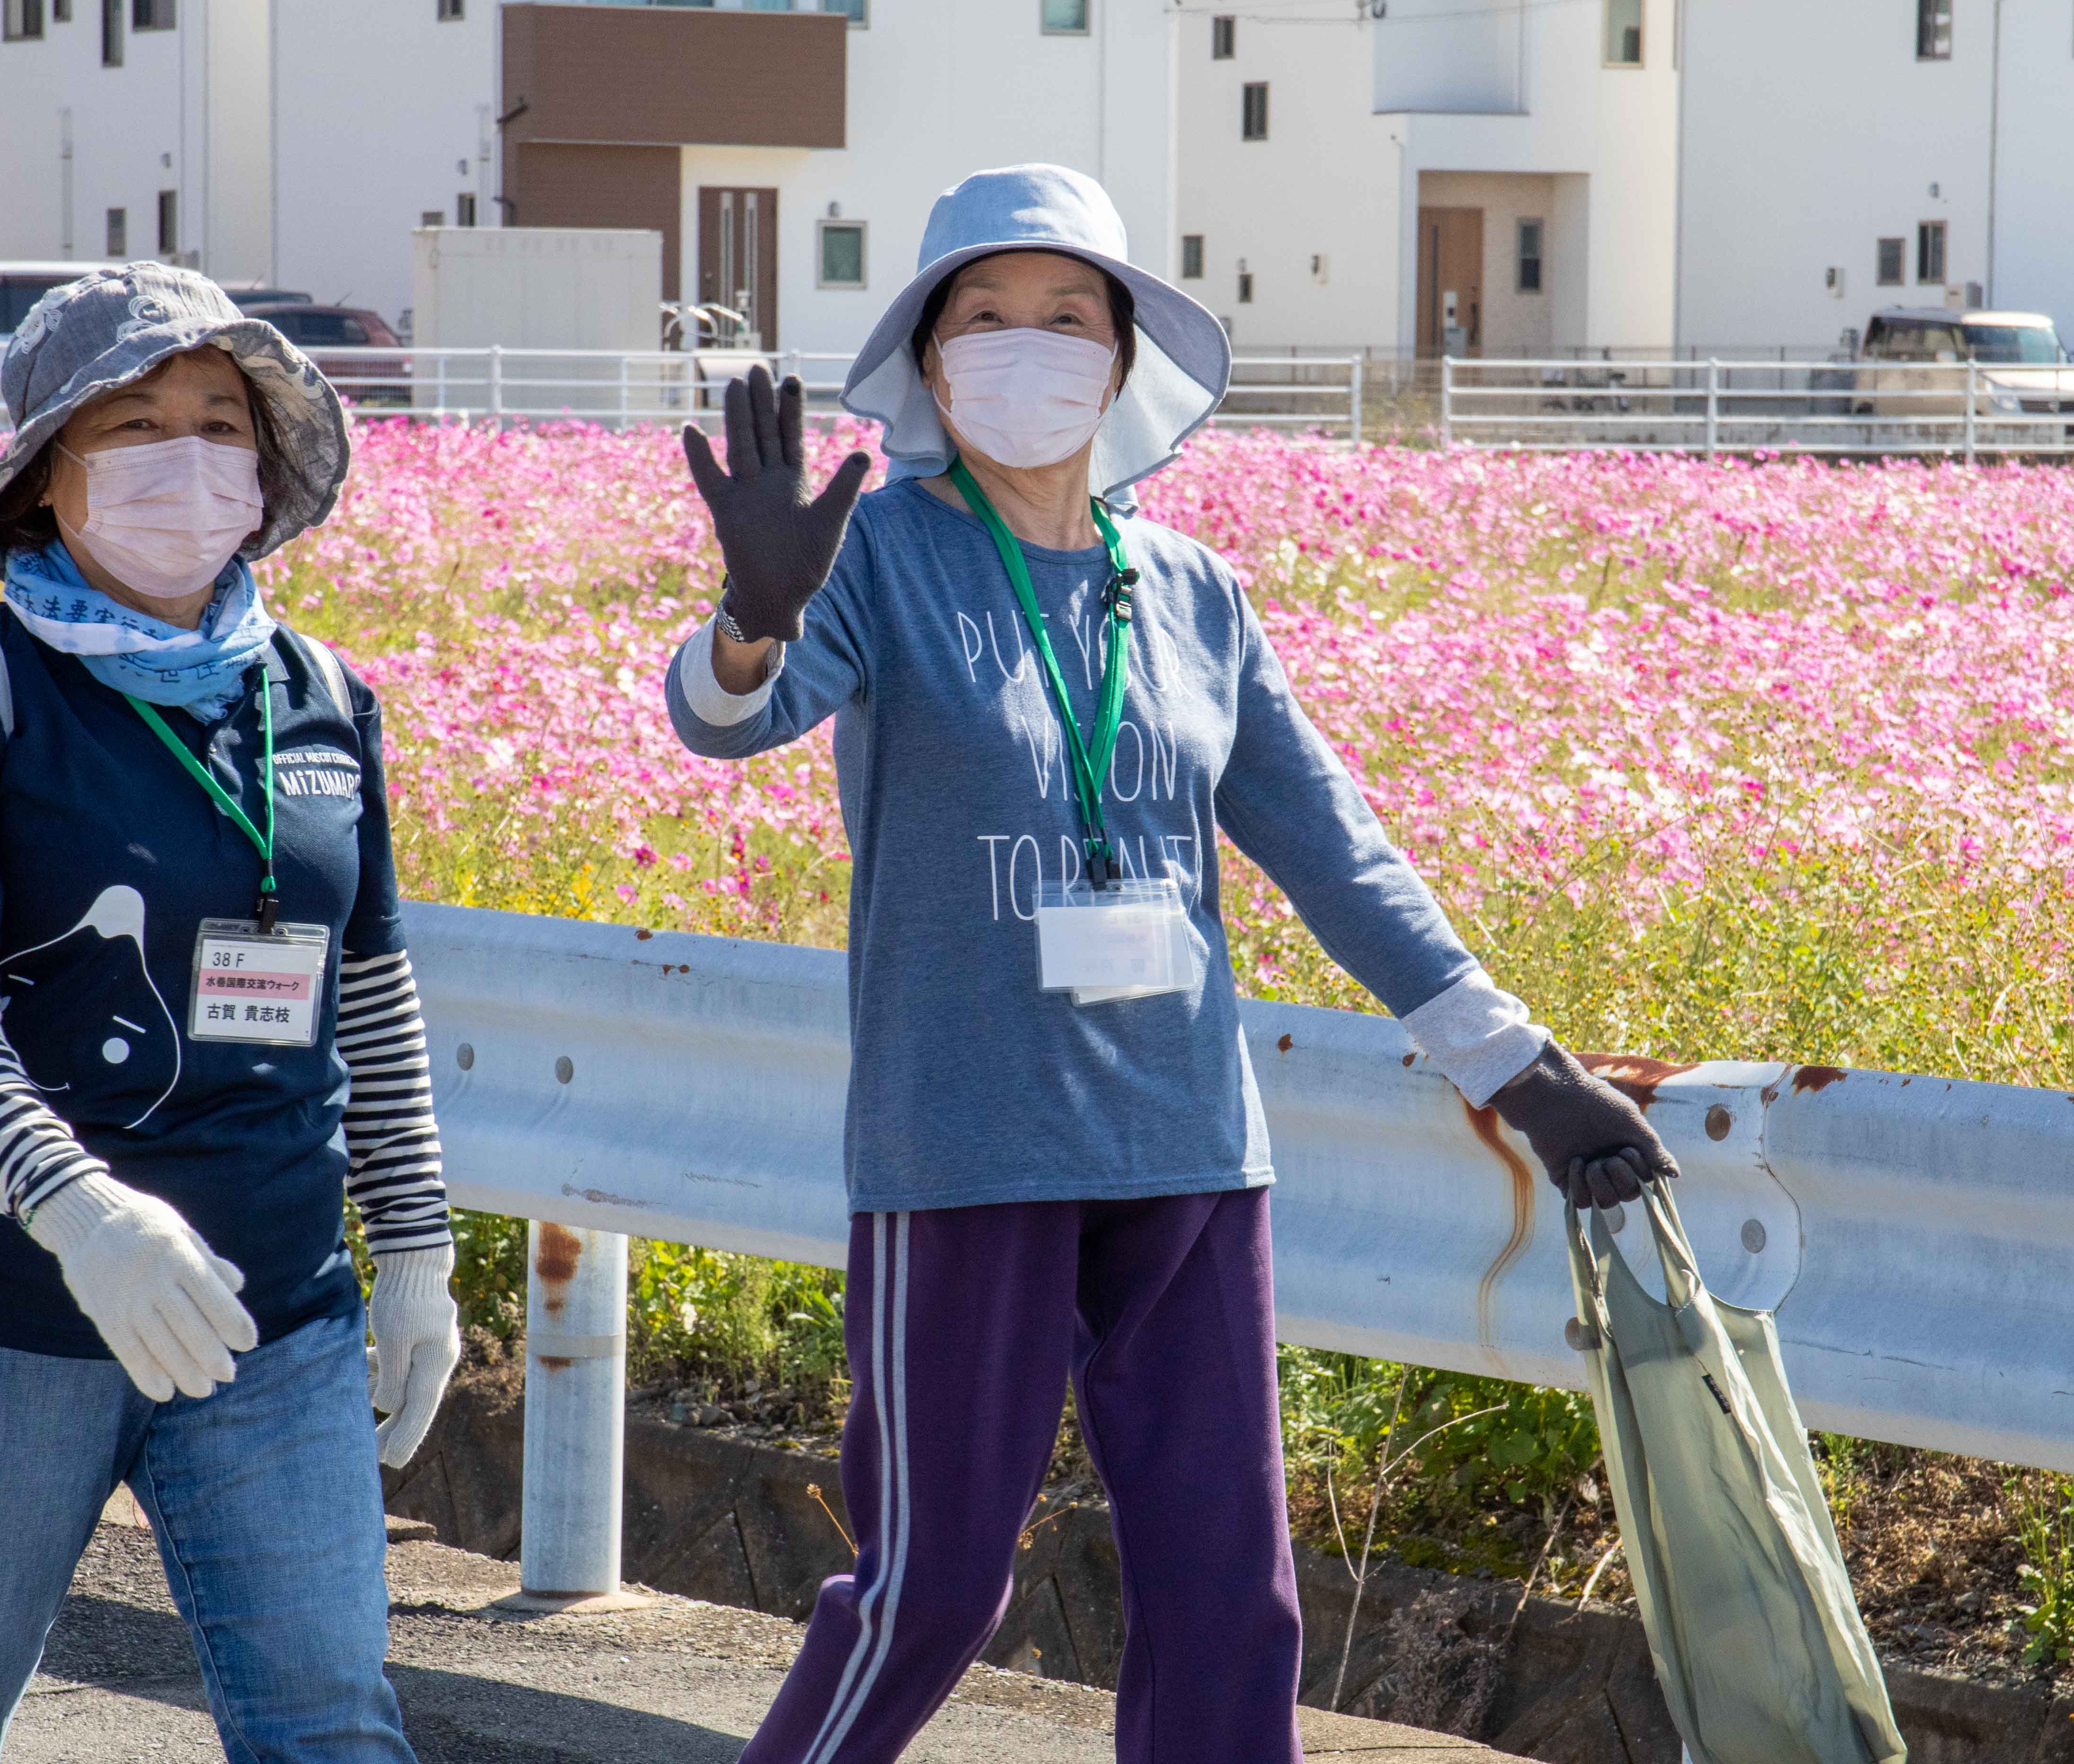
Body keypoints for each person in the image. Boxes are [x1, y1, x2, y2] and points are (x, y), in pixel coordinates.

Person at [664, 164, 1676, 1764]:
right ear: (929, 363)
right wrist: (751, 619)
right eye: (982, 318)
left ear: (1122, 357)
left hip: (1188, 1146)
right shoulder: (879, 558)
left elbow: (1335, 851)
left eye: (1067, 316)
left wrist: (1524, 1071)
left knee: (1232, 1604)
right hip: (971, 1143)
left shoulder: (1193, 591)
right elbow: (728, 723)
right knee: (932, 1589)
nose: (1026, 347)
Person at [0, 263, 460, 1764]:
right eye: (136, 421)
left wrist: (417, 1237)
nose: (192, 454)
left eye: (222, 419)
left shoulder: (322, 696)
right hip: (0, 1313)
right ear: (49, 475)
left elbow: (369, 983)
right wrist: (82, 1211)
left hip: (277, 1310)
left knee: (332, 1724)